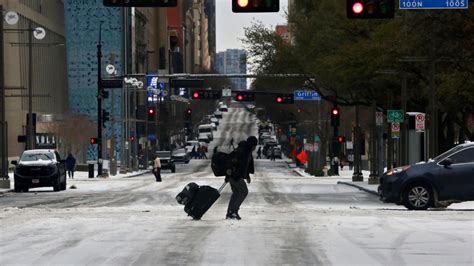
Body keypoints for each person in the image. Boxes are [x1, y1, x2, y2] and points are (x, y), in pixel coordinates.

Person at [225, 136, 257, 220]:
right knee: (243, 191)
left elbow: (245, 166)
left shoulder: (245, 150)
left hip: (234, 175)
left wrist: (247, 176)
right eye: (254, 145)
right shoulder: (243, 151)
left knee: (236, 193)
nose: (255, 147)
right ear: (251, 144)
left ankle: (230, 212)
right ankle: (233, 211)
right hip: (235, 175)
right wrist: (231, 173)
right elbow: (238, 163)